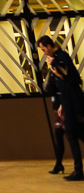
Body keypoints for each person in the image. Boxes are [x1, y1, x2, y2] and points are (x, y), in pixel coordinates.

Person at [40, 35, 84, 181]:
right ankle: (76, 169)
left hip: (74, 103)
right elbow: (57, 85)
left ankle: (78, 170)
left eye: (44, 49)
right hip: (68, 103)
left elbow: (75, 80)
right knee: (74, 133)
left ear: (49, 46)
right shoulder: (57, 59)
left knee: (71, 133)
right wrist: (61, 104)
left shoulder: (61, 57)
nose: (44, 52)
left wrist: (57, 69)